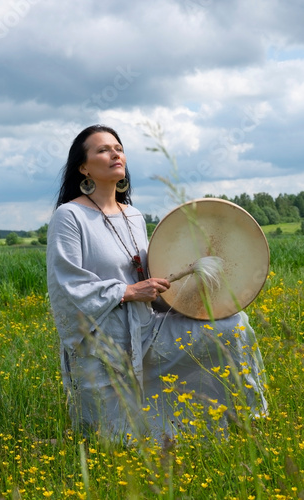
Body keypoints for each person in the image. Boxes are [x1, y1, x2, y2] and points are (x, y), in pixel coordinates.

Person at [46, 124, 267, 443]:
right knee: (110, 440)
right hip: (105, 343)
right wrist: (129, 291)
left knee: (235, 325)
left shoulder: (133, 216)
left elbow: (145, 274)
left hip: (147, 328)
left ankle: (243, 420)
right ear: (83, 167)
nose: (115, 153)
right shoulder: (70, 216)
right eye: (103, 149)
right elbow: (66, 285)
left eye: (118, 148)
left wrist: (184, 285)